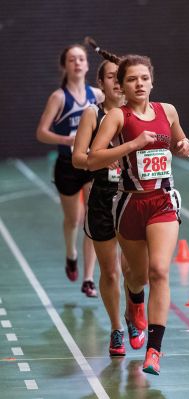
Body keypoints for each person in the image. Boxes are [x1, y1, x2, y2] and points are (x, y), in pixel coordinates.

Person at [85, 54, 189, 375]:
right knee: (138, 275)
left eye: (144, 78)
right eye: (132, 79)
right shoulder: (116, 117)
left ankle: (154, 351)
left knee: (160, 271)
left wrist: (184, 145)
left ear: (152, 80)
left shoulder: (167, 110)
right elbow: (92, 159)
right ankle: (135, 300)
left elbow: (178, 140)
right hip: (130, 205)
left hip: (162, 202)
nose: (139, 84)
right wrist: (132, 144)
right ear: (122, 85)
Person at [72, 38, 145, 357]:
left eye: (122, 76)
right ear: (101, 83)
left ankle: (134, 311)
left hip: (132, 198)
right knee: (111, 271)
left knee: (133, 271)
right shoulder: (93, 114)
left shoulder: (139, 114)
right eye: (112, 77)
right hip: (103, 199)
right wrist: (102, 156)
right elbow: (78, 159)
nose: (118, 82)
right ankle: (117, 327)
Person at [36, 44, 104, 297]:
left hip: (90, 163)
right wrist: (66, 140)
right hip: (67, 165)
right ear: (65, 65)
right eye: (72, 59)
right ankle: (71, 254)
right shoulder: (59, 97)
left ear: (87, 65)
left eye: (81, 59)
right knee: (73, 219)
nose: (77, 63)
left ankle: (88, 278)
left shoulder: (96, 95)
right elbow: (41, 132)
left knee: (92, 219)